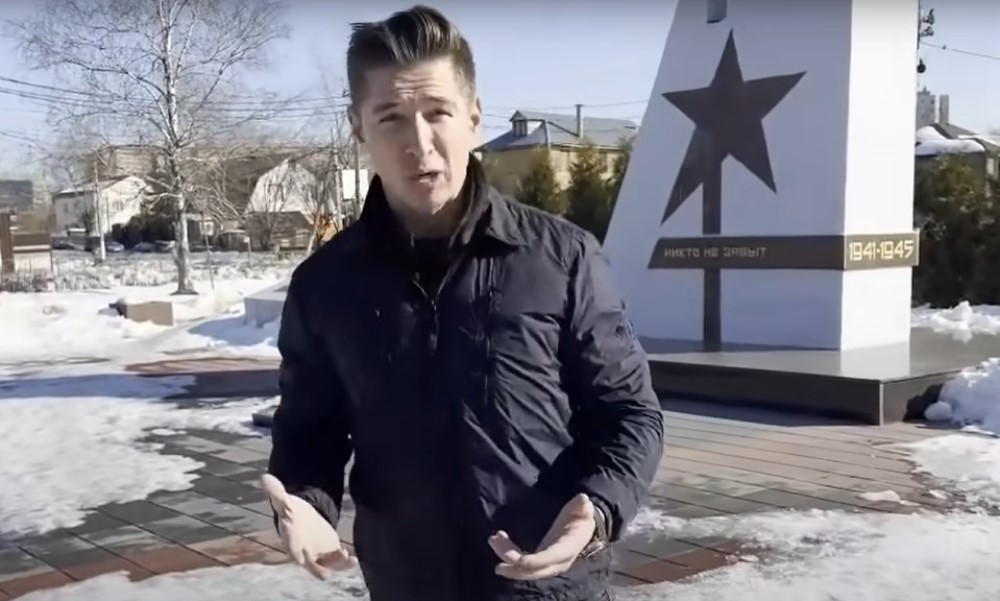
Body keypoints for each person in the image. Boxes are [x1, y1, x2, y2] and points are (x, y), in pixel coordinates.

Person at [264, 5, 664, 600]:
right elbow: (308, 431)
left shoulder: (561, 259)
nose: (418, 143)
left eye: (438, 112)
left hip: (549, 584)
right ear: (358, 127)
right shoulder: (325, 284)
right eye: (391, 117)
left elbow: (629, 413)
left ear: (473, 118)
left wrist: (599, 506)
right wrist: (305, 503)